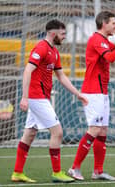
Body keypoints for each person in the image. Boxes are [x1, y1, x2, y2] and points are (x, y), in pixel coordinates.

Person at [11, 19, 88, 183]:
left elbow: (61, 76)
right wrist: (24, 97)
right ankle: (57, 172)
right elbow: (27, 71)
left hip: (40, 97)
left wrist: (77, 93)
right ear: (53, 34)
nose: (65, 37)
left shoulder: (54, 52)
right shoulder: (41, 48)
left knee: (30, 134)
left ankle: (17, 173)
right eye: (62, 34)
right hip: (36, 97)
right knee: (57, 132)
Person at [68, 11, 115, 181]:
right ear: (104, 23)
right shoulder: (96, 39)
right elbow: (111, 57)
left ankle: (98, 171)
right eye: (113, 23)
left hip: (101, 91)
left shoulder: (104, 40)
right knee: (94, 129)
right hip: (93, 91)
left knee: (102, 131)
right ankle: (74, 168)